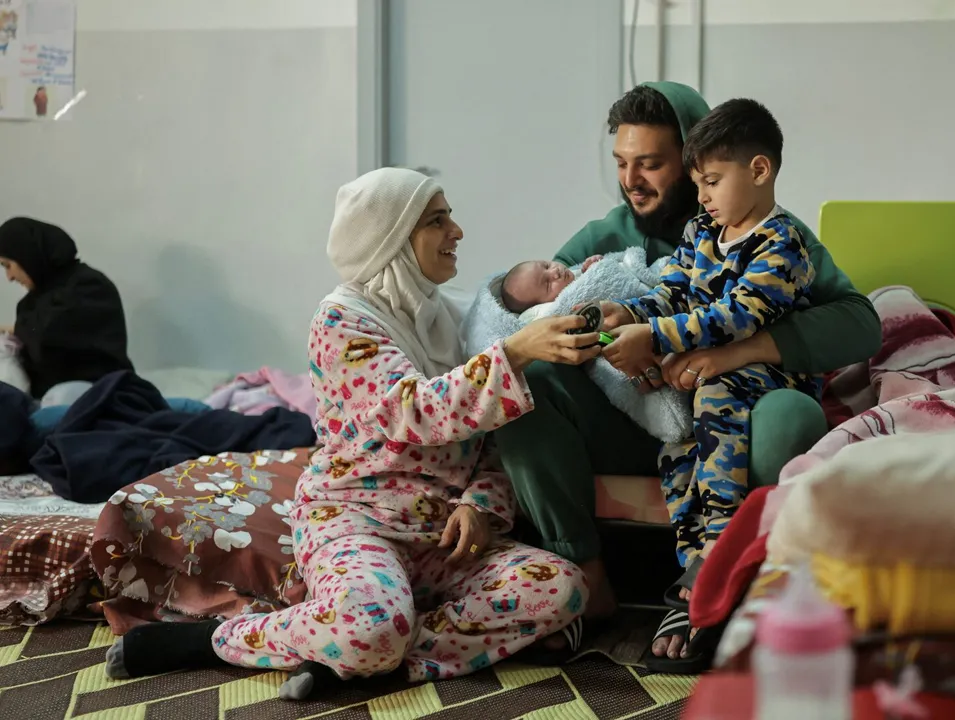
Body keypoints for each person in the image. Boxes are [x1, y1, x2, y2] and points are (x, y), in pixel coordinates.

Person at [103, 168, 601, 699]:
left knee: (561, 587)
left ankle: (364, 657)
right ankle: (214, 641)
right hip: (355, 522)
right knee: (372, 625)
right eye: (437, 220)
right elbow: (412, 410)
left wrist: (480, 505)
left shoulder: (454, 316)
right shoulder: (341, 322)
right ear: (392, 239)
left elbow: (492, 440)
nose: (457, 231)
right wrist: (519, 351)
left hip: (440, 536)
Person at [494, 81, 883, 667]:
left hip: (725, 406)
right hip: (629, 415)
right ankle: (585, 582)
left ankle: (721, 574)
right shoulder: (605, 238)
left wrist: (740, 351)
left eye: (652, 163)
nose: (633, 179)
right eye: (623, 163)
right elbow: (541, 324)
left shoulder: (775, 235)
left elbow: (859, 324)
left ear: (695, 157)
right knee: (522, 390)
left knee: (778, 412)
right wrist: (609, 337)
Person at [598, 98, 822, 669]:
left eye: (712, 181)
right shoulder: (703, 230)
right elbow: (674, 291)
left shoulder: (783, 244)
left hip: (766, 375)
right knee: (674, 433)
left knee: (718, 395)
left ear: (759, 171)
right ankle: (695, 563)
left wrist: (656, 336)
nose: (702, 196)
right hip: (703, 372)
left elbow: (737, 316)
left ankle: (719, 553)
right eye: (697, 182)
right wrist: (630, 316)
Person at [0, 217, 133, 401]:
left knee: (59, 400)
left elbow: (49, 336)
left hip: (102, 392)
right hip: (42, 401)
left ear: (27, 255)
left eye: (8, 265)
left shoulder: (90, 287)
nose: (9, 277)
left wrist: (13, 330)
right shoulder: (29, 304)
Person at [500, 255, 604, 314]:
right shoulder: (569, 309)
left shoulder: (579, 272)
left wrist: (595, 265)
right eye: (548, 284)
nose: (555, 272)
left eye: (547, 266)